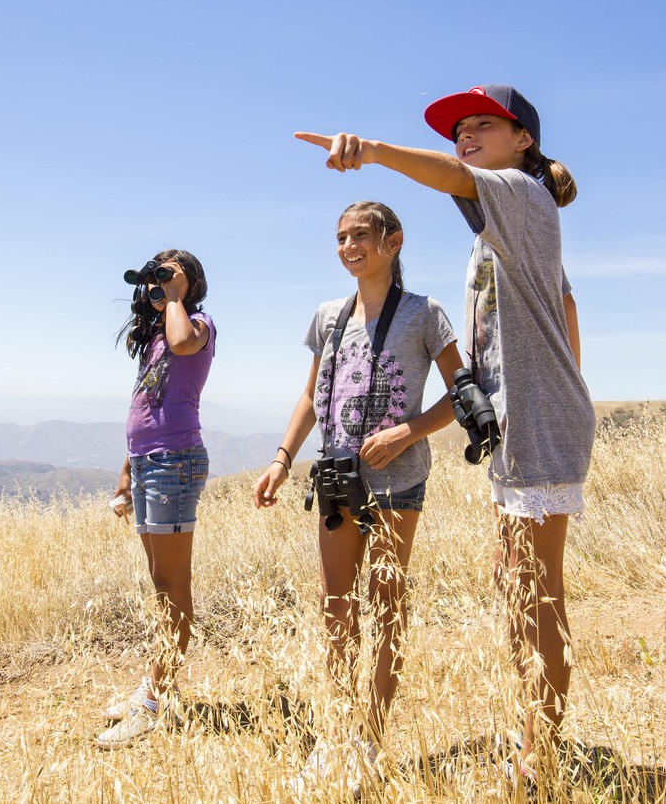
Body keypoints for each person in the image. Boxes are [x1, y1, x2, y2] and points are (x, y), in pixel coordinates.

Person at [295, 85, 595, 787]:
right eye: (458, 128)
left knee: (538, 589)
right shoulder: (511, 223)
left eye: (481, 124)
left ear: (523, 139)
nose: (465, 134)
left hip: (538, 417)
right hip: (523, 419)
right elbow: (567, 300)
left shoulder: (518, 193)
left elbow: (456, 178)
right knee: (519, 581)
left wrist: (371, 152)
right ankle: (536, 741)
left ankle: (539, 758)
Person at [253, 201, 463, 792]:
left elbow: (463, 392)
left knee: (387, 604)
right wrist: (280, 461)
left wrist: (407, 432)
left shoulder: (425, 314)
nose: (348, 246)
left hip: (400, 481)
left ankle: (371, 737)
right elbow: (308, 398)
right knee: (335, 605)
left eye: (361, 236)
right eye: (341, 237)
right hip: (337, 474)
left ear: (393, 242)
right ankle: (336, 735)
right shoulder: (328, 315)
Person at [97, 249, 215, 747]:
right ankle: (155, 687)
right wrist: (126, 470)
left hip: (175, 462)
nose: (159, 283)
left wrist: (174, 295)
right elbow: (141, 404)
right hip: (149, 464)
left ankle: (152, 701)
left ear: (191, 282)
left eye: (171, 274)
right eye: (156, 275)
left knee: (171, 587)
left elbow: (184, 340)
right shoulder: (153, 339)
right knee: (160, 585)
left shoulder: (198, 324)